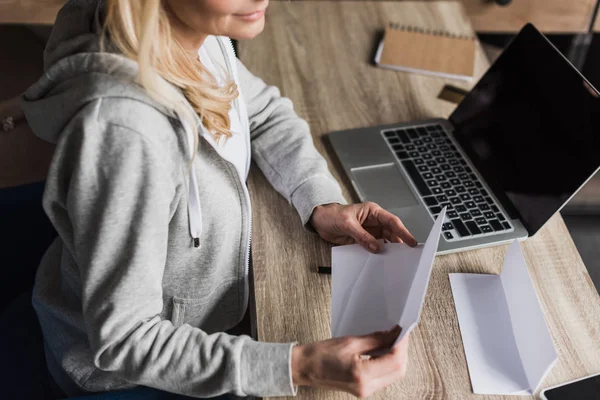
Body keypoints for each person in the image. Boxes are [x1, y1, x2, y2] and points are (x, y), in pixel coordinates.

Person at [22, 0, 418, 398]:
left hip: (206, 322)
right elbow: (125, 340)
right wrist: (300, 365)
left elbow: (263, 113)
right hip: (126, 377)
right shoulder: (127, 134)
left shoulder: (192, 35)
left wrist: (320, 202)